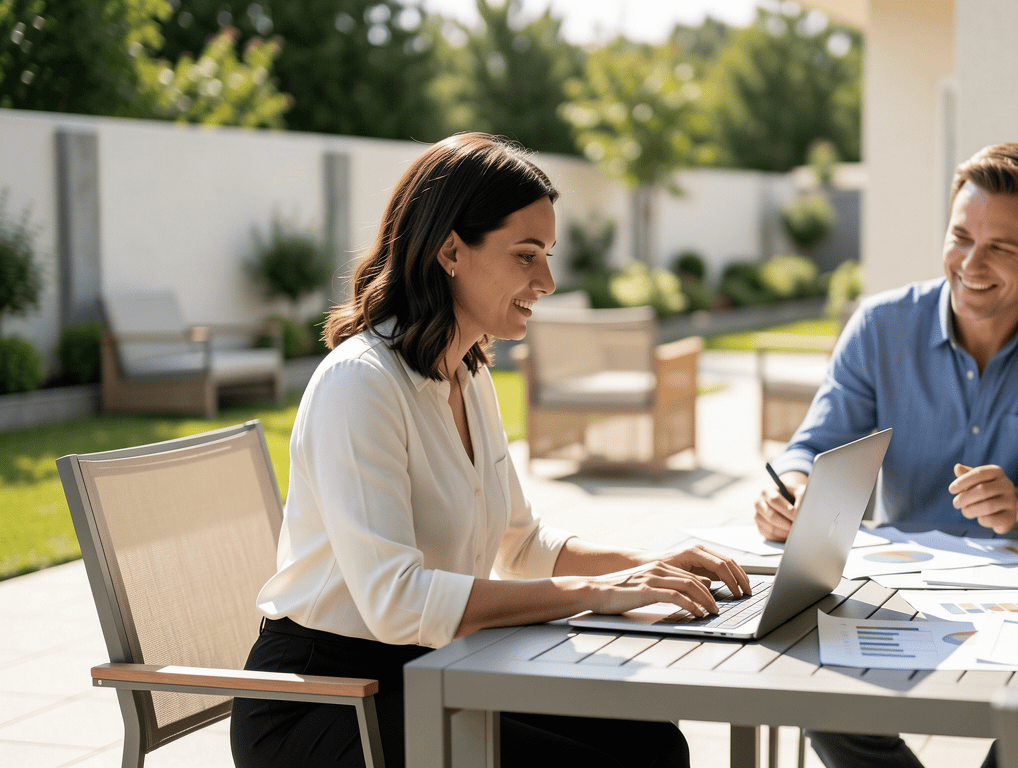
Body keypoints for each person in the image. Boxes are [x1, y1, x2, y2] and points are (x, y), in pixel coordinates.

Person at [230, 132, 750, 768]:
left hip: (433, 670)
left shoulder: (466, 376)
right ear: (451, 249)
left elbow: (523, 546)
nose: (549, 281)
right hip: (329, 703)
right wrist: (606, 590)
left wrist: (653, 563)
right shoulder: (360, 384)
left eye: (548, 255)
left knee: (651, 742)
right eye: (526, 255)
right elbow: (399, 603)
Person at [755, 143, 1018, 768]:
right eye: (960, 237)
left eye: (1000, 249)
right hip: (904, 591)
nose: (970, 263)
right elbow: (814, 447)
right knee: (822, 700)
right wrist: (791, 489)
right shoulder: (880, 326)